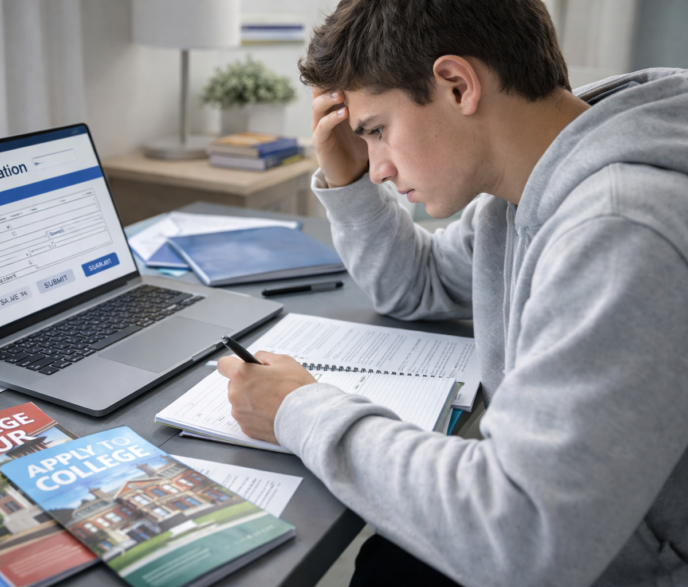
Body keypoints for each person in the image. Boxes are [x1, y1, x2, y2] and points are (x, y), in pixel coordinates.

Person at [216, 1, 688, 585]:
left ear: (457, 84)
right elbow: (422, 284)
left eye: (378, 131)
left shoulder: (621, 229)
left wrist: (297, 409)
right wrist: (350, 176)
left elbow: (523, 534)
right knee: (390, 561)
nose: (379, 165)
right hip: (581, 538)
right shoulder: (519, 188)